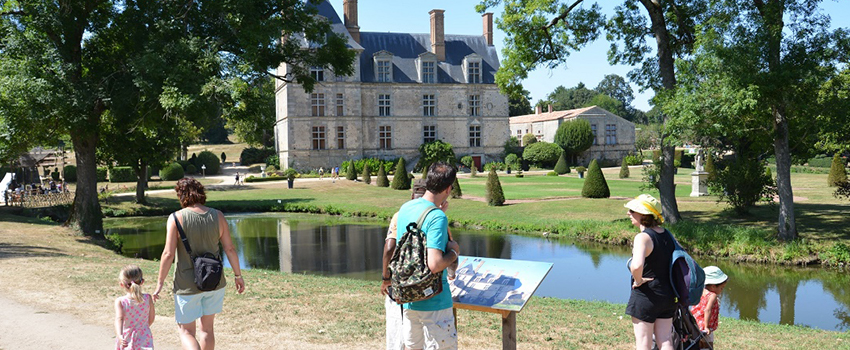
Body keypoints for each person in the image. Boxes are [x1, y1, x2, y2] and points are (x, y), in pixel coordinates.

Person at [153, 178, 246, 350]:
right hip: (214, 281)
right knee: (207, 330)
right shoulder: (218, 215)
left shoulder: (176, 218)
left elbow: (168, 254)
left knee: (186, 332)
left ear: (181, 195)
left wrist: (159, 283)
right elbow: (230, 249)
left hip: (186, 284)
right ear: (201, 193)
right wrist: (238, 276)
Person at [394, 162, 459, 350]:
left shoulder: (406, 207)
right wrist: (454, 252)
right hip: (435, 300)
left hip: (409, 296)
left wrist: (439, 212)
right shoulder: (437, 217)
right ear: (448, 189)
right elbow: (435, 264)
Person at [624, 194, 677, 350]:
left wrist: (638, 280)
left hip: (646, 296)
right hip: (667, 294)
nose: (629, 213)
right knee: (666, 340)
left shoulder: (643, 238)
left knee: (644, 343)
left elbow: (636, 266)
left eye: (632, 211)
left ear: (643, 215)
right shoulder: (667, 234)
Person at [381, 179, 428, 350]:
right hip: (427, 285)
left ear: (411, 193)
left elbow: (389, 248)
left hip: (400, 284)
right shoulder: (434, 214)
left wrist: (386, 277)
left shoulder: (400, 214)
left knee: (398, 332)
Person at [114, 265, 155, 350]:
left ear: (122, 284)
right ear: (142, 282)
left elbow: (119, 319)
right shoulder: (147, 298)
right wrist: (143, 327)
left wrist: (120, 335)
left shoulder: (121, 301)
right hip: (144, 337)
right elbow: (151, 318)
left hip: (126, 337)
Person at [691, 266, 728, 348]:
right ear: (713, 286)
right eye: (721, 288)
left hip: (697, 323)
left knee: (699, 344)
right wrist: (706, 326)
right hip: (705, 326)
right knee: (708, 345)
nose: (722, 290)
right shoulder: (712, 295)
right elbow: (707, 310)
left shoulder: (701, 291)